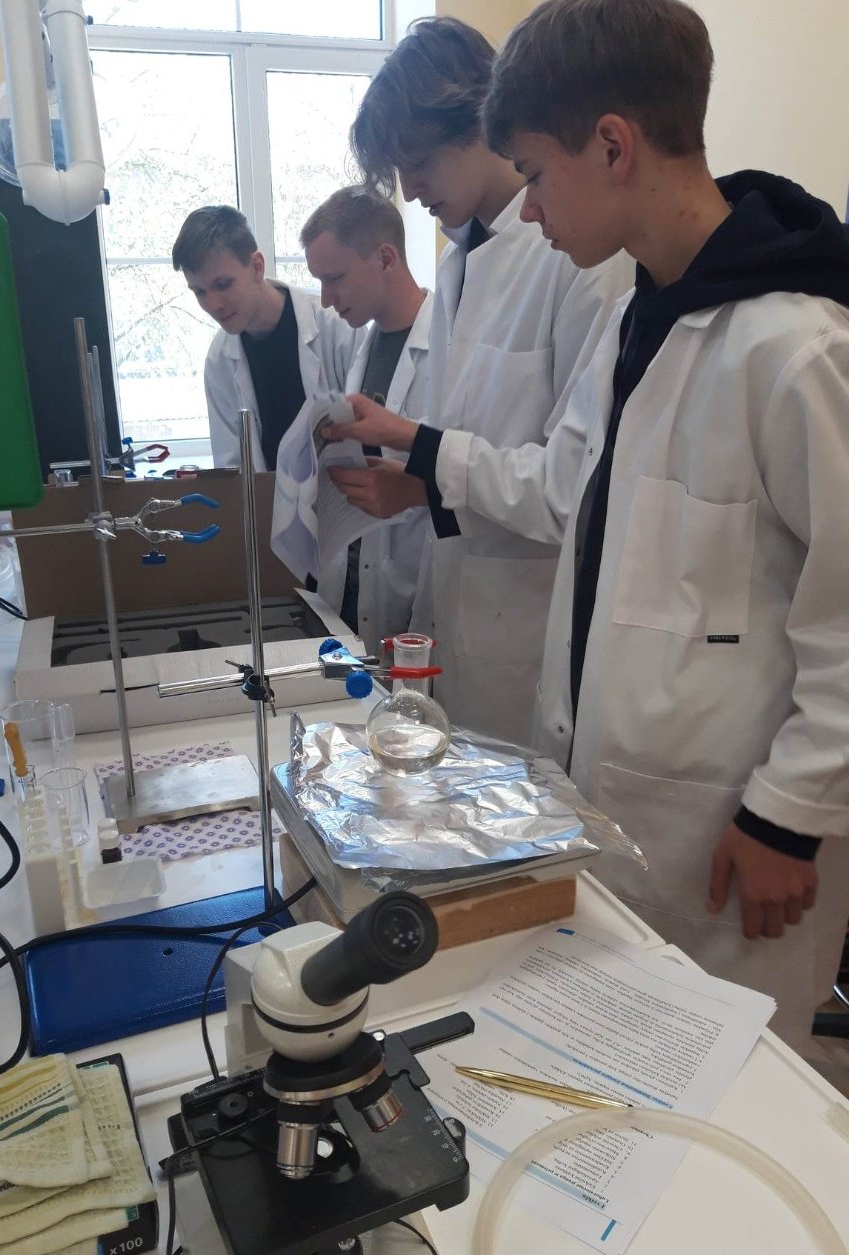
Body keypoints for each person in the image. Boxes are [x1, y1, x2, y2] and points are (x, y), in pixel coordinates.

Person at [328, 0, 849, 1053]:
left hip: (738, 834)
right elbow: (567, 487)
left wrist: (790, 815)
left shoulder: (798, 351)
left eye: (533, 173)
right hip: (618, 806)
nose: (527, 207)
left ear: (612, 146)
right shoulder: (631, 319)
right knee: (630, 1074)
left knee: (740, 1090)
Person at [344, 17, 632, 744]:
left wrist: (422, 448)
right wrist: (421, 482)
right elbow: (476, 456)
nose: (409, 191)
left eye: (419, 163)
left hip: (531, 640)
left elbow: (574, 491)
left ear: (479, 122)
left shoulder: (581, 260)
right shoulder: (458, 262)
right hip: (458, 621)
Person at [300, 187, 432, 651]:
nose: (326, 299)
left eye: (335, 278)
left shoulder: (449, 346)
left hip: (416, 595)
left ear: (385, 258)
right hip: (351, 592)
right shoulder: (363, 346)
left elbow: (462, 473)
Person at [172, 205, 361, 470]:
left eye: (223, 284)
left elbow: (371, 437)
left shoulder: (336, 327)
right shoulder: (219, 360)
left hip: (348, 491)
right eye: (199, 292)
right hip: (265, 496)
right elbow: (232, 467)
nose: (213, 305)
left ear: (257, 267)